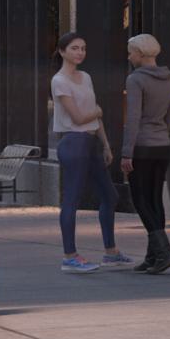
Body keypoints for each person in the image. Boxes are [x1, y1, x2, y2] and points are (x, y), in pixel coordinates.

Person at [49, 32, 130, 273]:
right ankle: (70, 256)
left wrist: (105, 144)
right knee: (72, 199)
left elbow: (94, 115)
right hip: (73, 143)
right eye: (74, 48)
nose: (80, 52)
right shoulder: (59, 80)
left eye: (83, 48)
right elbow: (79, 117)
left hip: (92, 141)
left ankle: (111, 252)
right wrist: (97, 113)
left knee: (111, 195)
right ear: (62, 51)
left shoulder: (85, 77)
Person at [118, 34, 170, 275]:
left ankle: (164, 253)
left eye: (131, 52)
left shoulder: (135, 79)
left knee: (141, 200)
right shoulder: (169, 79)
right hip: (162, 145)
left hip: (141, 147)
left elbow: (132, 119)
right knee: (155, 200)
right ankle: (153, 256)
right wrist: (162, 134)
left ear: (141, 55)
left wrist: (126, 153)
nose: (129, 56)